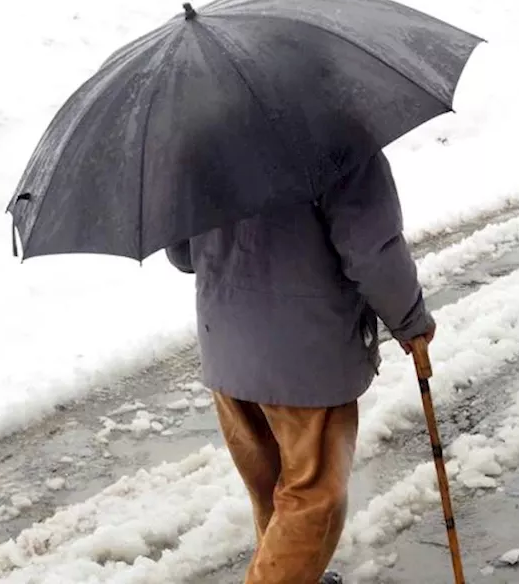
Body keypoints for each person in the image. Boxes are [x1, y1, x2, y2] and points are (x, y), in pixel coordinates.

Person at [165, 149, 435, 584]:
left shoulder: (200, 139)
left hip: (227, 347)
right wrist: (410, 320)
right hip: (306, 356)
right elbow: (371, 251)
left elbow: (182, 253)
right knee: (313, 500)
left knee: (274, 490)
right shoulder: (334, 131)